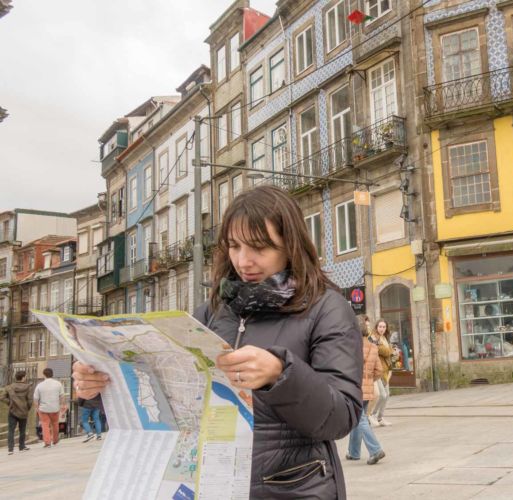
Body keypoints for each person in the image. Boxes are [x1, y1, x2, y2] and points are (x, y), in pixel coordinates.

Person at [73, 185, 363, 498]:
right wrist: (100, 387)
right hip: (216, 485)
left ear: (290, 246)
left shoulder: (326, 307)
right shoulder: (212, 313)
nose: (244, 260)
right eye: (234, 246)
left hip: (292, 487)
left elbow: (342, 417)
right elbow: (170, 395)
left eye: (259, 248)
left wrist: (281, 374)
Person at [346, 324, 386, 464]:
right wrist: (370, 379)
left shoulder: (352, 347)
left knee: (360, 418)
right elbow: (379, 370)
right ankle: (354, 452)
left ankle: (375, 450)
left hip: (355, 387)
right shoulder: (374, 348)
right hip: (367, 387)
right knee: (357, 417)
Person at [368, 319, 393, 427]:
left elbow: (388, 352)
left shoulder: (384, 338)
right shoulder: (374, 337)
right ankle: (372, 415)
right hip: (378, 370)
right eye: (380, 327)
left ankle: (380, 417)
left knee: (386, 395)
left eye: (384, 327)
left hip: (386, 370)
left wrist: (390, 351)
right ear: (376, 327)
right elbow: (386, 351)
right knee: (381, 395)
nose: (382, 329)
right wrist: (389, 351)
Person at [2, 370, 32, 454]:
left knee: (11, 430)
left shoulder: (9, 387)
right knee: (22, 430)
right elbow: (30, 400)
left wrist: (10, 403)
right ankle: (21, 446)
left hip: (12, 411)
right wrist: (27, 408)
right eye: (25, 376)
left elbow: (2, 397)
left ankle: (10, 449)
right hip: (23, 411)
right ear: (23, 378)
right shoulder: (28, 387)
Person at [34, 367, 64, 448]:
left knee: (45, 425)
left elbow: (36, 399)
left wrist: (37, 409)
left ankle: (47, 442)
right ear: (52, 374)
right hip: (55, 408)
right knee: (55, 424)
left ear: (44, 375)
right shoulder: (58, 384)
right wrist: (61, 406)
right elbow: (61, 396)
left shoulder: (39, 385)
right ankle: (55, 440)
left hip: (43, 409)